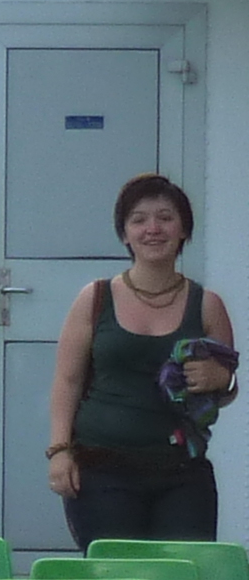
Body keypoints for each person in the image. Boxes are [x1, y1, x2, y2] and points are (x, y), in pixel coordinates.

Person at [47, 171, 237, 546]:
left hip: (183, 472)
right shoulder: (95, 298)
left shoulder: (207, 305)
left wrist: (221, 380)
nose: (153, 229)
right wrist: (58, 451)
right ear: (124, 234)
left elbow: (225, 389)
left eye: (166, 218)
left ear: (183, 230)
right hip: (102, 470)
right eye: (139, 219)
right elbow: (67, 381)